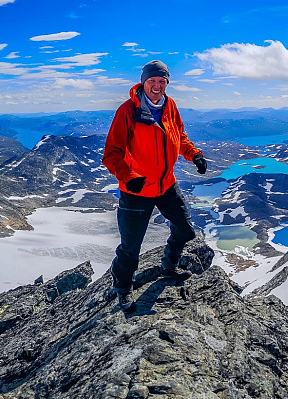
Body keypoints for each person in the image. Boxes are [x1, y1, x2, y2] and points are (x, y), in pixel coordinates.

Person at [102, 60, 208, 312]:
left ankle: (168, 267)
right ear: (143, 82)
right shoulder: (128, 111)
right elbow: (112, 153)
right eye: (153, 81)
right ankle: (123, 289)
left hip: (166, 184)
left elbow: (179, 135)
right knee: (131, 247)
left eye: (162, 81)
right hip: (136, 189)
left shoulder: (170, 105)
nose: (157, 85)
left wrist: (193, 154)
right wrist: (129, 176)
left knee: (185, 229)